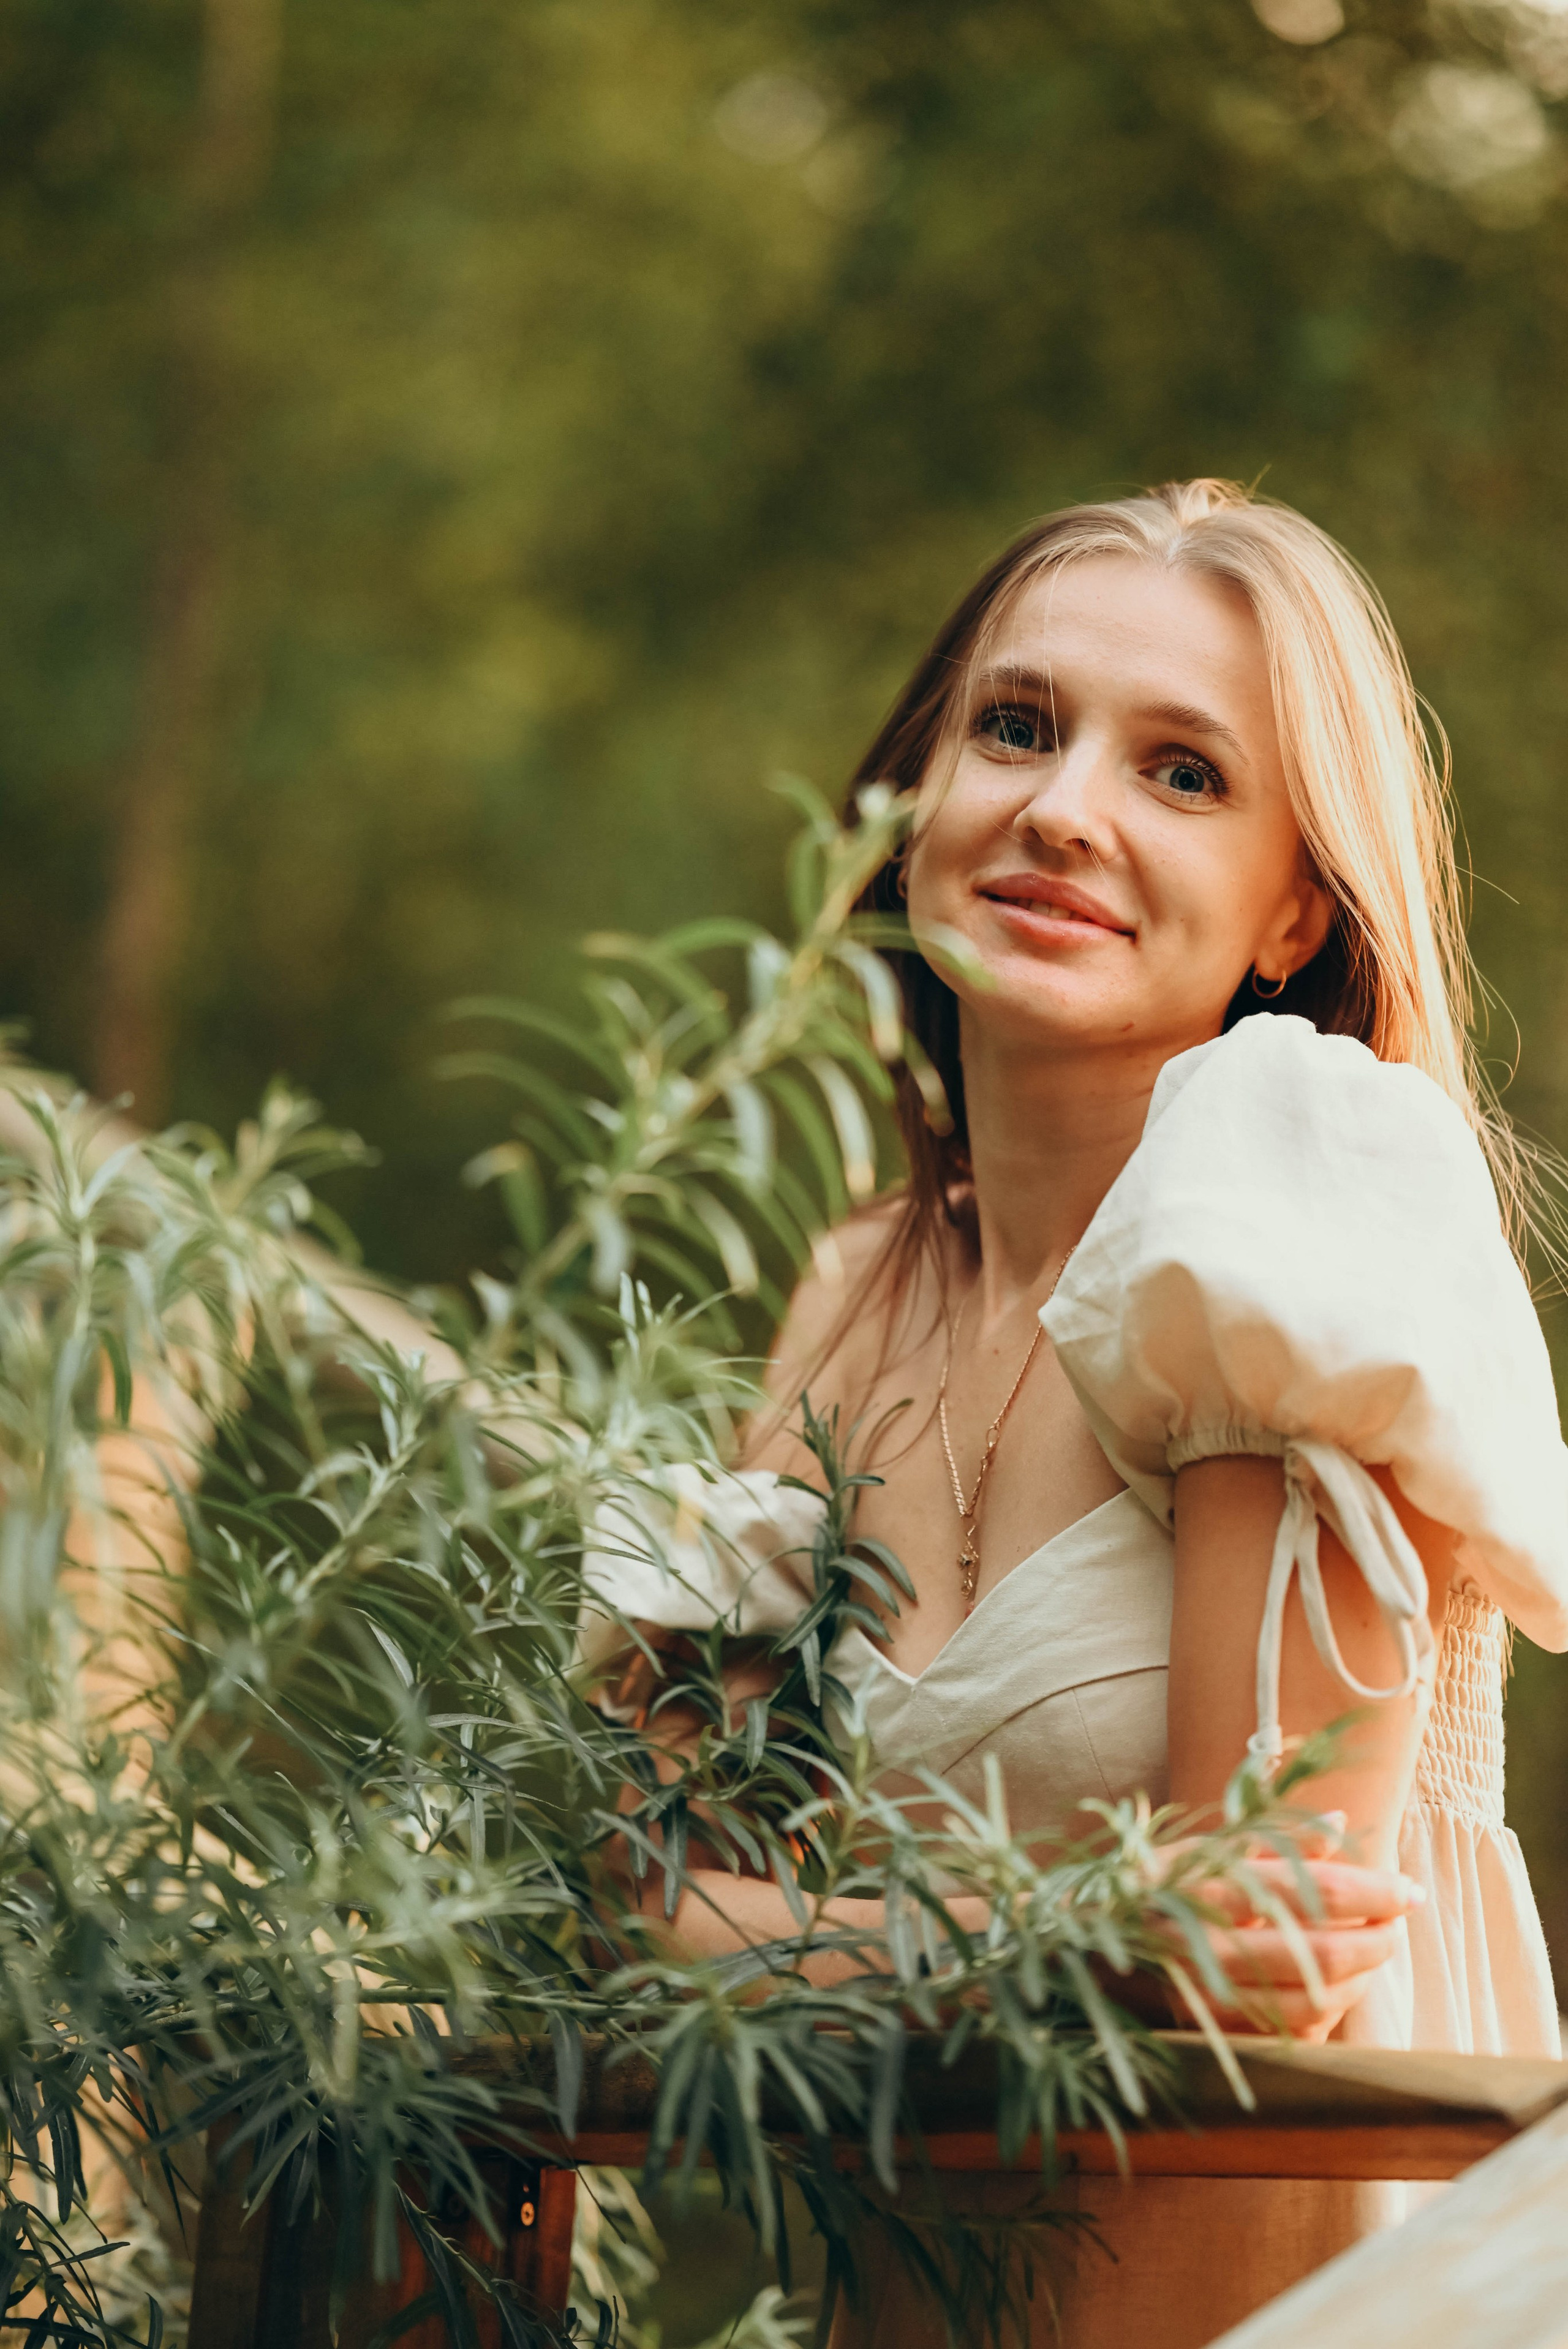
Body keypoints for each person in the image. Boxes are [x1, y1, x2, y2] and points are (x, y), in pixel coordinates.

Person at [575, 478, 1568, 2347]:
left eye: (1183, 772)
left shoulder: (1294, 1197)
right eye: (1016, 729)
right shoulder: (855, 1288)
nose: (1062, 808)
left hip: (1308, 2293)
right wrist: (1053, 1941)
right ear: (906, 806)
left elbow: (1246, 1963)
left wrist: (836, 1953)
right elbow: (643, 1903)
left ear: (1296, 903)